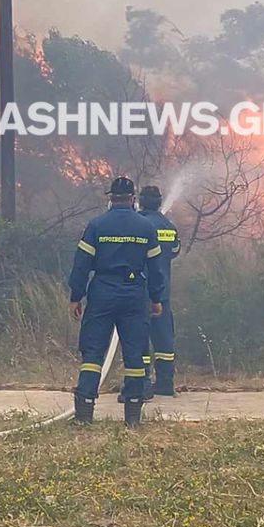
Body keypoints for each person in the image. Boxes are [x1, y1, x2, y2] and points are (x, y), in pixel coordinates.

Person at [68, 176, 166, 426]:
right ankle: (132, 417)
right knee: (135, 354)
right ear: (133, 199)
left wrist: (76, 296)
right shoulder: (146, 228)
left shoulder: (97, 225)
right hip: (134, 295)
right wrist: (156, 298)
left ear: (111, 199)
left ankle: (84, 414)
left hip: (102, 292)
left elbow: (81, 265)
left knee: (92, 353)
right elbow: (156, 269)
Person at [138, 185, 182, 397]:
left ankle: (142, 382)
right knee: (164, 339)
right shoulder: (169, 227)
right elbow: (174, 251)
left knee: (138, 337)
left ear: (140, 201)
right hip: (163, 292)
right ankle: (165, 383)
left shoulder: (137, 224)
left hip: (139, 292)